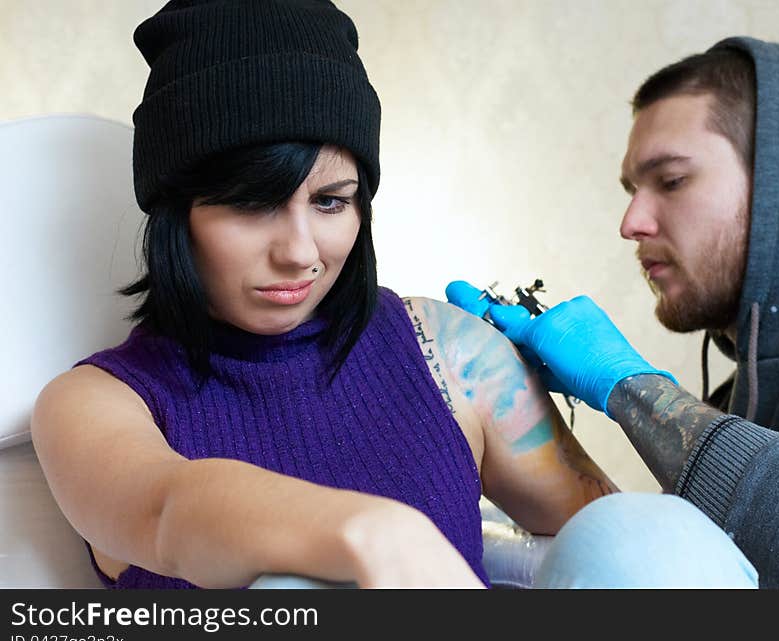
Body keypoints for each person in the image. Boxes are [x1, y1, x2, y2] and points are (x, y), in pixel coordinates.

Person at [29, 0, 622, 590]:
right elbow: (167, 511)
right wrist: (368, 532)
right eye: (252, 203)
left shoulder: (449, 351)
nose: (299, 252)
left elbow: (618, 547)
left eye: (331, 202)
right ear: (176, 214)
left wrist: (634, 392)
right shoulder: (92, 405)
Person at [449, 36, 779, 588]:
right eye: (632, 190)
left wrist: (631, 386)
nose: (631, 222)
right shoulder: (741, 399)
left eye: (671, 181)